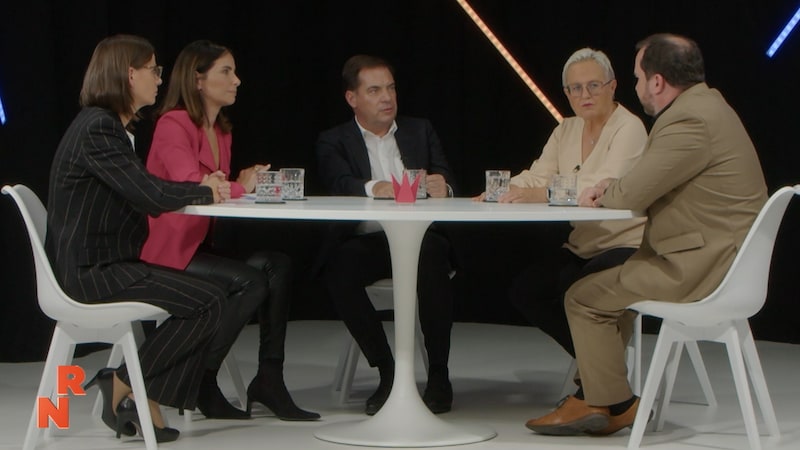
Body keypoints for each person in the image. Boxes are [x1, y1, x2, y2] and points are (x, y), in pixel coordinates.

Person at [525, 33, 768, 436]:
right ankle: (606, 400)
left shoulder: (686, 120)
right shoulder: (710, 106)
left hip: (701, 265)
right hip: (717, 255)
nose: (637, 88)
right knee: (592, 287)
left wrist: (609, 190)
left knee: (583, 296)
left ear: (657, 81)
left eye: (638, 78)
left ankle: (611, 403)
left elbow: (634, 191)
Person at [45, 34, 231, 443]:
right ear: (130, 75)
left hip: (106, 263)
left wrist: (200, 189)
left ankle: (135, 393)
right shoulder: (98, 127)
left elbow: (146, 188)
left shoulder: (107, 126)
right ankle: (129, 387)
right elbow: (150, 194)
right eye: (153, 70)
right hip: (91, 272)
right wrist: (205, 190)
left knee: (210, 296)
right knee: (209, 301)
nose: (159, 80)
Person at [140, 40, 319, 421]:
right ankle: (200, 379)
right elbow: (196, 186)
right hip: (167, 252)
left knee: (277, 265)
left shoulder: (221, 130)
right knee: (250, 281)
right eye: (226, 71)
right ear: (198, 79)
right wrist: (241, 185)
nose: (237, 80)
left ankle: (270, 378)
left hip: (200, 244)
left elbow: (216, 186)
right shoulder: (173, 123)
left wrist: (236, 182)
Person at [474, 48, 647, 369]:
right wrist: (504, 190)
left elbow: (599, 187)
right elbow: (539, 173)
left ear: (612, 86)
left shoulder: (629, 128)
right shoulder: (565, 129)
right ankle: (601, 366)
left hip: (625, 246)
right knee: (527, 291)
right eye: (575, 88)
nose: (585, 95)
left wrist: (539, 194)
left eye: (593, 85)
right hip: (583, 245)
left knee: (576, 292)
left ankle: (601, 376)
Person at [315, 54, 457, 415]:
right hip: (370, 241)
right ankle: (388, 372)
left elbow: (446, 178)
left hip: (421, 239)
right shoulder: (334, 140)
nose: (387, 98)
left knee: (431, 260)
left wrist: (445, 187)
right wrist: (375, 187)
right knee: (339, 272)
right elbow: (338, 182)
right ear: (353, 98)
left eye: (391, 88)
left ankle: (439, 376)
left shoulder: (419, 129)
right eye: (375, 90)